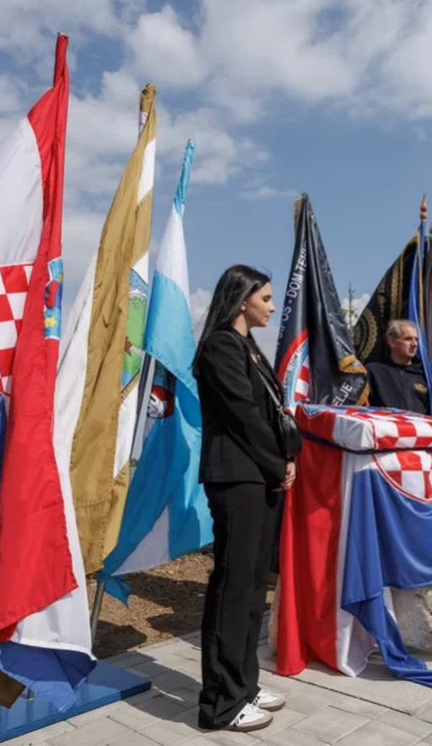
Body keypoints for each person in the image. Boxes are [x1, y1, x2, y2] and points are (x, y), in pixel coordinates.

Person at [192, 265, 300, 732]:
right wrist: (278, 464)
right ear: (242, 300)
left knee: (255, 587)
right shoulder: (220, 345)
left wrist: (285, 460)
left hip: (260, 477)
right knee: (233, 589)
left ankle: (244, 685)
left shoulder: (248, 347)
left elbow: (271, 413)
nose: (272, 307)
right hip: (237, 478)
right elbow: (244, 415)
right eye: (266, 298)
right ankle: (220, 703)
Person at [365, 319, 431, 413]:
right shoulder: (373, 372)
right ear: (392, 342)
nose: (414, 344)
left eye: (416, 339)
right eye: (408, 339)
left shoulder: (425, 376)